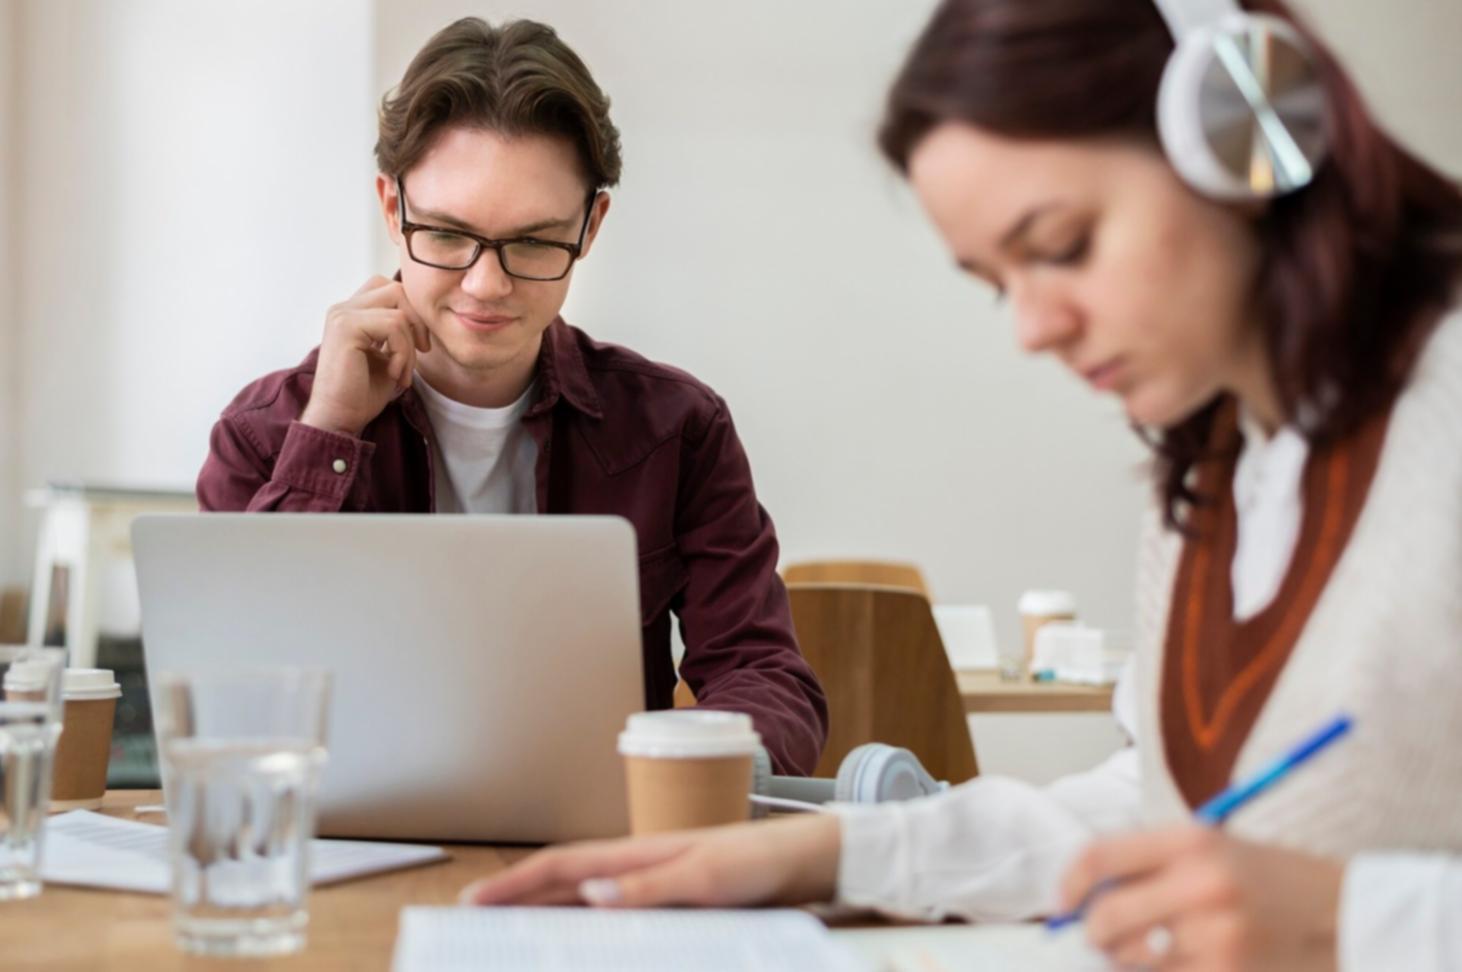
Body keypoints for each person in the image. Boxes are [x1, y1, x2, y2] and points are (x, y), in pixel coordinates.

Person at [459, 1, 1462, 968]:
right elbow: (1156, 808)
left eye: (1061, 246)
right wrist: (817, 855)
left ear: (1239, 137)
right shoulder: (1215, 468)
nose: (1031, 328)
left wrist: (1356, 925)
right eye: (996, 280)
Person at [194, 17, 828, 776]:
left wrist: (700, 777)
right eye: (449, 234)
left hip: (598, 858)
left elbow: (766, 674)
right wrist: (326, 432)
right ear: (393, 210)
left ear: (590, 226)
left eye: (532, 242)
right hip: (341, 854)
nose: (486, 284)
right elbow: (226, 699)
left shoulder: (678, 430)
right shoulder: (263, 435)